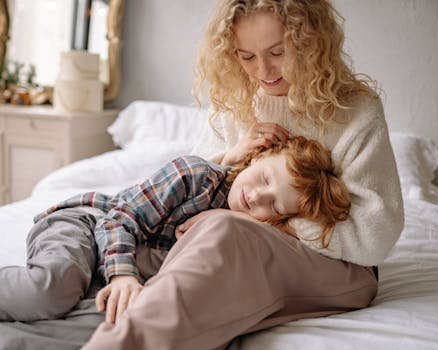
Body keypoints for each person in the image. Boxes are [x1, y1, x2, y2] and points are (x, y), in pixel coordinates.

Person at [81, 0, 403, 349]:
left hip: (337, 265)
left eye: (277, 52)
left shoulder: (356, 110)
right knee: (202, 255)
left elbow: (375, 235)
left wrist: (258, 224)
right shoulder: (238, 102)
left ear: (310, 42)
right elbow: (194, 192)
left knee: (225, 231)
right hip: (240, 251)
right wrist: (231, 158)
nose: (263, 71)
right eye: (246, 57)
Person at [0, 136, 349, 347]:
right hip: (87, 225)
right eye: (265, 179)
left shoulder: (243, 237)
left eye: (271, 204)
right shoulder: (195, 176)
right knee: (50, 288)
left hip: (115, 271)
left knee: (97, 330)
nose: (256, 196)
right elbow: (119, 217)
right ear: (255, 157)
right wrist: (123, 274)